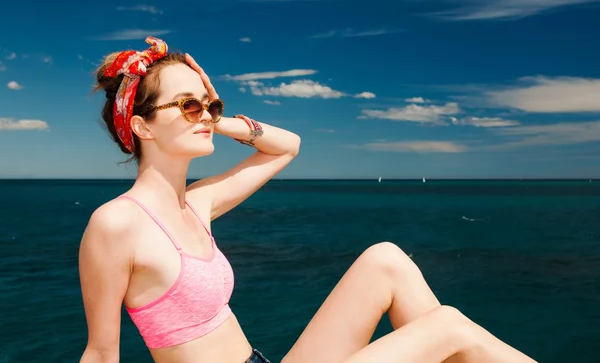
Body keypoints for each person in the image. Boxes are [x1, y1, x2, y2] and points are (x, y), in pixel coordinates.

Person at [78, 36, 537, 363]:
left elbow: (287, 145)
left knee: (386, 260)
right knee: (449, 327)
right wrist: (200, 114)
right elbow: (101, 353)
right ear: (142, 127)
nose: (204, 114)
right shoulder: (118, 224)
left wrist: (215, 118)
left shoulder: (197, 204)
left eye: (207, 104)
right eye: (187, 106)